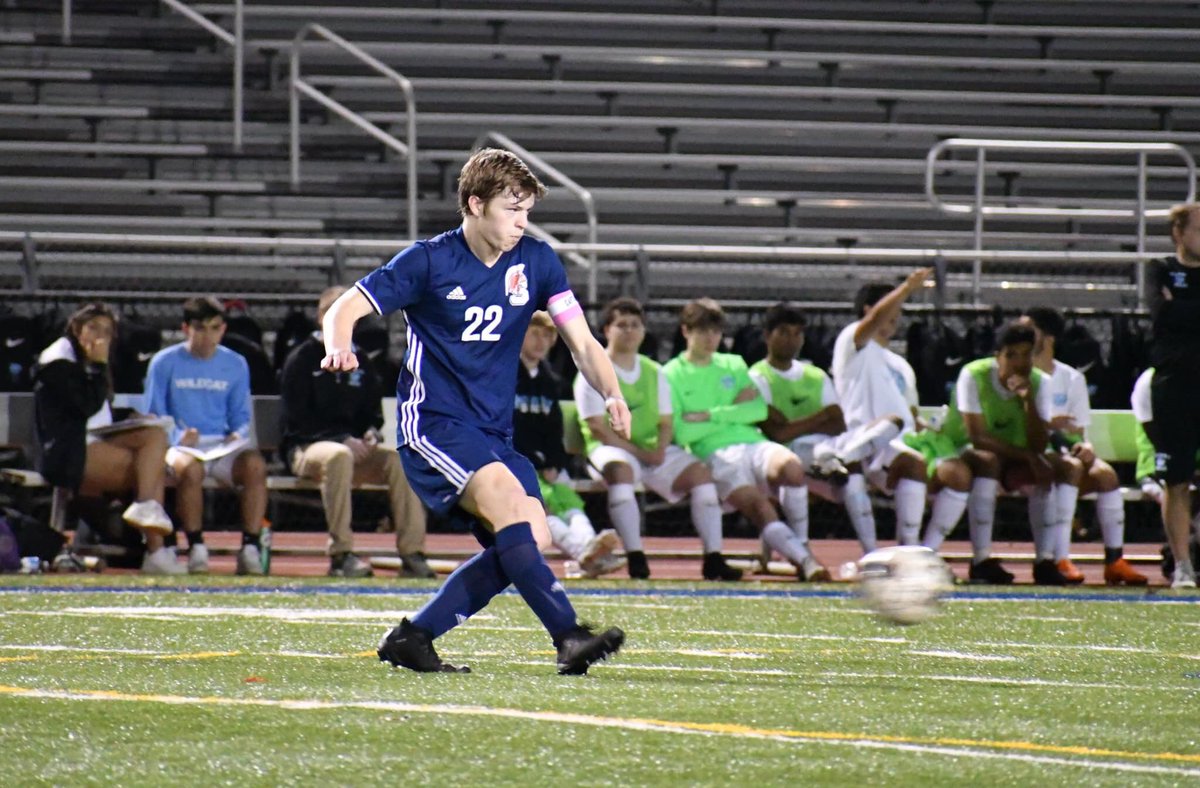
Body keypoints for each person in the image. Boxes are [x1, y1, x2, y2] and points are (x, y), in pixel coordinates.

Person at [323, 148, 627, 675]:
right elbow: (344, 307)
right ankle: (568, 635)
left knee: (532, 539)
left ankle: (414, 637)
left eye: (527, 211)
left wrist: (613, 392)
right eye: (512, 210)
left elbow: (581, 341)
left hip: (492, 432)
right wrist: (339, 342)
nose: (522, 223)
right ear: (474, 204)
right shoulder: (429, 259)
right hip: (434, 423)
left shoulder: (537, 261)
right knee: (512, 509)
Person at [664, 297, 829, 581]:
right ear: (685, 331)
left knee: (791, 466)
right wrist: (735, 411)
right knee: (759, 508)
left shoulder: (733, 363)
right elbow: (682, 432)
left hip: (753, 443)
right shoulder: (670, 374)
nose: (711, 338)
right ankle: (806, 562)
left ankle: (802, 544)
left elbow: (758, 410)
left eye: (716, 332)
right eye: (703, 331)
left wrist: (708, 415)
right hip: (714, 454)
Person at [574, 297, 734, 580]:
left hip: (649, 450)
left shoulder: (653, 371)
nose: (629, 331)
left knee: (701, 475)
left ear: (644, 331)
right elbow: (599, 428)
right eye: (621, 325)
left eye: (635, 325)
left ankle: (714, 558)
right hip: (611, 449)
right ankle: (636, 556)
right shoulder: (592, 369)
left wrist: (659, 449)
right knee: (621, 472)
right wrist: (642, 453)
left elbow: (665, 421)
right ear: (606, 330)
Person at [280, 286, 434, 580]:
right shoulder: (302, 358)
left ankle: (413, 553)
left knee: (403, 461)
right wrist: (341, 440)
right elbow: (295, 421)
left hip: (355, 452)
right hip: (308, 449)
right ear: (320, 317)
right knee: (337, 456)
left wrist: (370, 434)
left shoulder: (362, 358)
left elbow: (371, 415)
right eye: (331, 313)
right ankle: (341, 554)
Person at [831, 272, 973, 558]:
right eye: (890, 306)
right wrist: (907, 288)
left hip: (908, 441)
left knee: (959, 475)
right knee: (913, 464)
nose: (896, 314)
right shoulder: (853, 342)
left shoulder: (902, 366)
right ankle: (907, 550)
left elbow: (910, 413)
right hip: (868, 443)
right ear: (869, 310)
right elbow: (870, 324)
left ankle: (926, 555)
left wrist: (929, 428)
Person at [33, 302, 178, 574]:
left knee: (154, 435)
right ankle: (157, 550)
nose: (99, 336)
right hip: (66, 455)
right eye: (93, 328)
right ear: (76, 329)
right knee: (151, 465)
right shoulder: (57, 362)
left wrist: (127, 415)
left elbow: (97, 412)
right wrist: (99, 365)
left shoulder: (87, 361)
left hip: (91, 444)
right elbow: (84, 405)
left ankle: (148, 515)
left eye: (107, 331)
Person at [939, 322, 1081, 584]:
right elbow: (977, 436)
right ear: (997, 356)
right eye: (1012, 355)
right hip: (966, 452)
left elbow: (1039, 444)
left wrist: (1028, 402)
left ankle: (1047, 560)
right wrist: (1029, 457)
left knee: (1063, 467)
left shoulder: (1041, 382)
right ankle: (981, 559)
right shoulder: (973, 375)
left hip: (1015, 454)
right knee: (989, 461)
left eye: (1027, 354)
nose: (1020, 362)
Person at [143, 296, 269, 576]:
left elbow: (240, 414)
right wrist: (177, 435)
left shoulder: (236, 364)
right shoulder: (163, 363)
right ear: (186, 329)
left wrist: (237, 435)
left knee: (255, 466)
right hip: (180, 446)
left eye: (215, 328)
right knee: (190, 470)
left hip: (222, 446)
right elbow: (154, 415)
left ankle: (250, 546)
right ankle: (196, 545)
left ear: (223, 329)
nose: (208, 336)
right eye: (200, 328)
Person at [1021, 307, 1146, 586]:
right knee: (1072, 468)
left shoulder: (1071, 378)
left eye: (1031, 331)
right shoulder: (1022, 374)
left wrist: (1087, 446)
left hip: (1066, 449)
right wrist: (1051, 426)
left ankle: (1114, 560)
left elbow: (1079, 429)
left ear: (1048, 338)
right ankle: (1060, 557)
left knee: (1106, 474)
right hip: (1039, 452)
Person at [750, 301, 885, 555]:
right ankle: (803, 550)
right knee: (795, 466)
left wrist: (794, 424)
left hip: (824, 450)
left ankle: (871, 553)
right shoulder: (756, 377)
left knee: (854, 475)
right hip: (781, 459)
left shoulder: (816, 375)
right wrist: (819, 417)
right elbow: (777, 434)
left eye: (798, 333)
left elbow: (837, 423)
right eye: (784, 333)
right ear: (767, 336)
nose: (792, 340)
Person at [513, 310, 623, 578]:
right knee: (543, 506)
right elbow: (509, 427)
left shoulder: (550, 381)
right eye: (535, 333)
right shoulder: (504, 376)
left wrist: (553, 462)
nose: (541, 341)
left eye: (548, 335)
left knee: (568, 500)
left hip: (547, 465)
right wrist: (539, 463)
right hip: (515, 462)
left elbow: (554, 429)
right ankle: (585, 551)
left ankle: (589, 548)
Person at [1144, 203, 1200, 589]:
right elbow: (1159, 314)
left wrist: (1179, 308)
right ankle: (1182, 564)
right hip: (1174, 385)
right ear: (1179, 233)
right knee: (1175, 479)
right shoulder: (1160, 268)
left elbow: (1173, 313)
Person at [1131, 367, 1200, 578]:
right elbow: (1159, 442)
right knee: (1177, 487)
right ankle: (1181, 563)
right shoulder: (1153, 381)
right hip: (1156, 468)